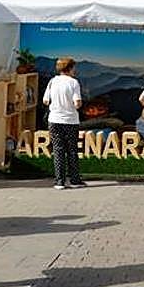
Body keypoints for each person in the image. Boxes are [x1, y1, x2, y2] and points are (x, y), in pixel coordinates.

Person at [43, 57, 84, 189]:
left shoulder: (52, 81)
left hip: (54, 120)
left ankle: (59, 181)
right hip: (70, 120)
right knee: (72, 150)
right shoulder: (74, 83)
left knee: (58, 150)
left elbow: (45, 101)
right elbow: (77, 103)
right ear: (70, 68)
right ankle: (74, 180)